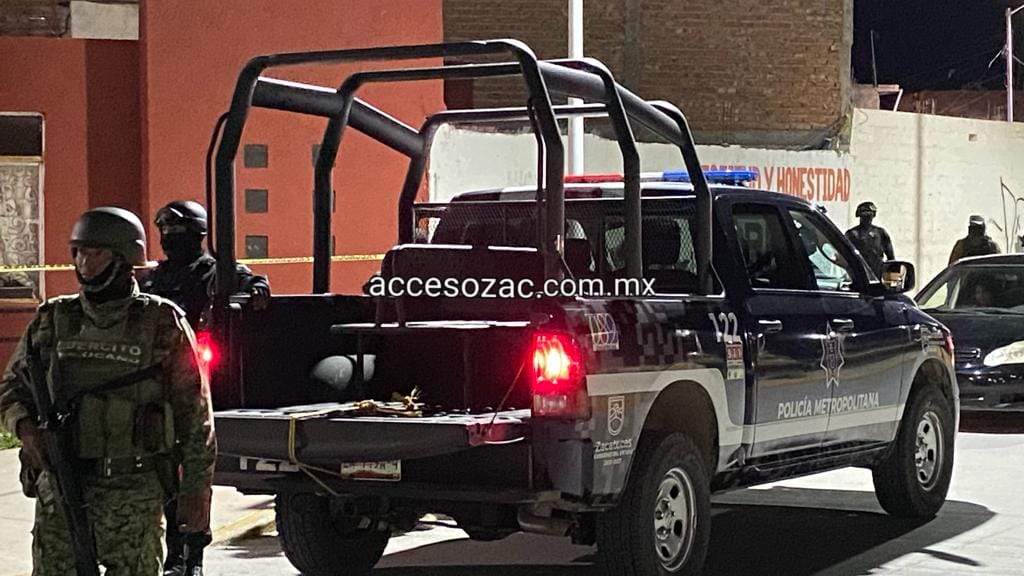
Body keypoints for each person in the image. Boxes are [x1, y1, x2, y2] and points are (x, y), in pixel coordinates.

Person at [0, 206, 216, 575]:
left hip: (134, 494)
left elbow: (195, 416)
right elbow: (11, 389)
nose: (84, 263)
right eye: (79, 253)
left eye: (96, 253)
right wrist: (25, 428)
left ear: (123, 258)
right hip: (63, 489)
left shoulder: (161, 321)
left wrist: (197, 490)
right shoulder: (53, 319)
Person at [137, 200, 268, 575]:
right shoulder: (153, 278)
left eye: (178, 232)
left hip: (195, 384)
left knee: (194, 475)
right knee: (163, 479)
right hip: (154, 388)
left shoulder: (216, 272)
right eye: (166, 232)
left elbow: (253, 283)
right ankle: (173, 556)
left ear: (198, 235)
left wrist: (257, 290)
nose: (170, 239)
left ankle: (192, 556)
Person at [139, 200, 270, 329]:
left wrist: (258, 287)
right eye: (165, 230)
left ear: (195, 232)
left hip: (197, 339)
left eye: (175, 229)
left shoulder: (213, 271)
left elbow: (249, 281)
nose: (168, 235)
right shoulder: (154, 276)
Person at [844, 201, 895, 278]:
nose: (868, 218)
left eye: (870, 215)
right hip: (858, 276)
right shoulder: (852, 234)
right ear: (860, 216)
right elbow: (844, 256)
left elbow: (891, 258)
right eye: (865, 215)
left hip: (877, 276)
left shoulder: (881, 233)